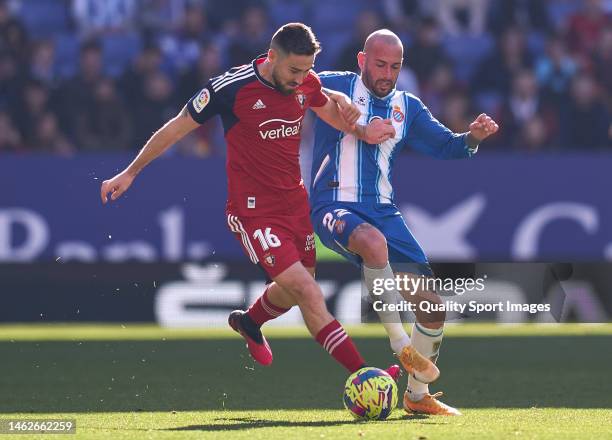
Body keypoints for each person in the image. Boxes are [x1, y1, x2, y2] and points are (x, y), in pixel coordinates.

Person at [100, 23, 402, 378]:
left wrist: (362, 130)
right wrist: (131, 172)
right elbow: (177, 126)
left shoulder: (304, 80)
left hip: (294, 203)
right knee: (308, 291)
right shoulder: (231, 88)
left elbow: (326, 108)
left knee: (292, 291)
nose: (300, 78)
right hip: (254, 211)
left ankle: (250, 321)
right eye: (294, 70)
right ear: (272, 56)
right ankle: (365, 375)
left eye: (307, 70)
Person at [309, 29, 499, 415]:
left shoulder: (406, 107)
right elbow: (290, 80)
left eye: (395, 67)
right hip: (333, 203)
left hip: (384, 210)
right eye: (380, 65)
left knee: (432, 305)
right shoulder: (333, 85)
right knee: (372, 242)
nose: (387, 74)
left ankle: (416, 397)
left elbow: (448, 146)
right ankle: (400, 345)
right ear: (362, 61)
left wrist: (473, 138)